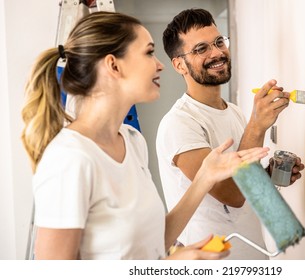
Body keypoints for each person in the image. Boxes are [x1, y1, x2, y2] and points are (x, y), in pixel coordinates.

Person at [20, 11, 269, 260]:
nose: (160, 64)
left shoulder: (131, 140)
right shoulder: (69, 158)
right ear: (114, 65)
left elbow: (152, 244)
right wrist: (169, 267)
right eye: (149, 52)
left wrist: (205, 176)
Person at [157, 8, 305, 259]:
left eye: (218, 42)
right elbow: (232, 195)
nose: (217, 53)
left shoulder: (234, 112)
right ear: (179, 64)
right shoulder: (179, 123)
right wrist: (257, 126)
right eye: (201, 49)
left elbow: (246, 193)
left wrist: (269, 177)